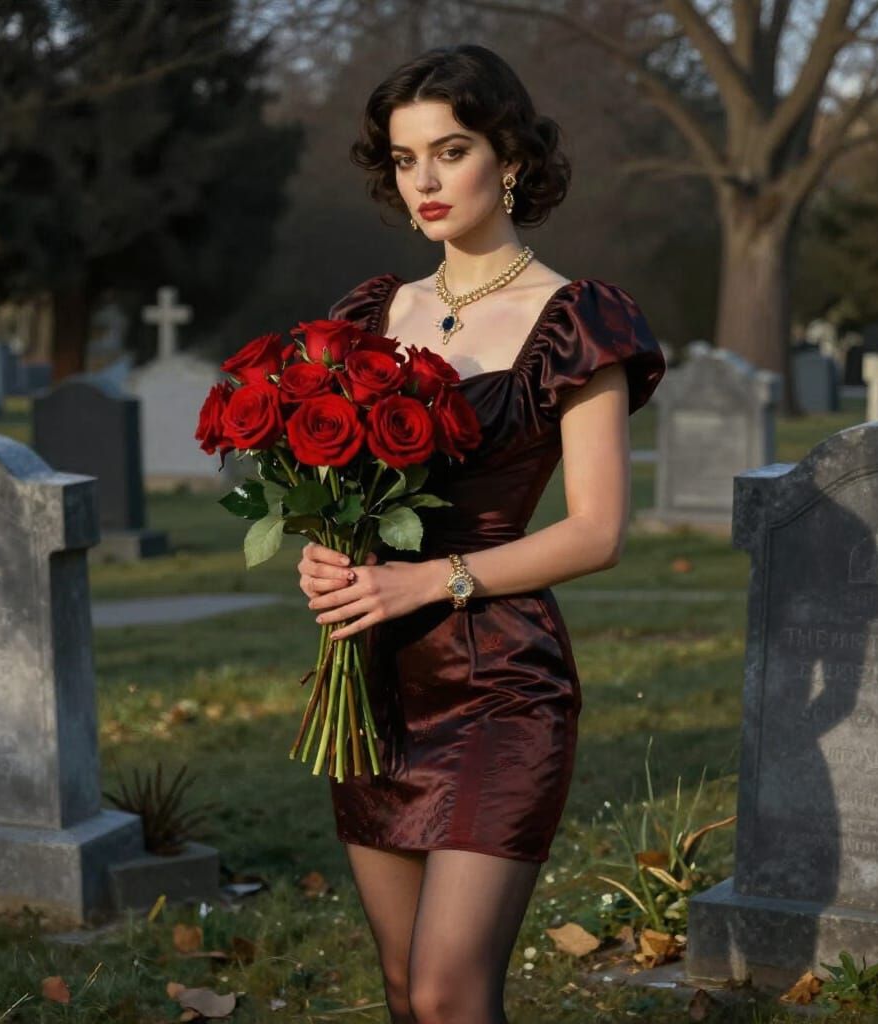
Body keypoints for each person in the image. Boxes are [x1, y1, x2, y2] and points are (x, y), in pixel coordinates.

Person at [296, 43, 665, 1024]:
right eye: (404, 156)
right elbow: (339, 495)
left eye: (449, 150)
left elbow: (595, 532)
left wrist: (427, 582)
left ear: (506, 156)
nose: (423, 178)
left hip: (500, 684)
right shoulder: (370, 314)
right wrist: (321, 552)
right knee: (400, 992)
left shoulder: (574, 320)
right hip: (371, 679)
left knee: (449, 991)